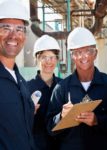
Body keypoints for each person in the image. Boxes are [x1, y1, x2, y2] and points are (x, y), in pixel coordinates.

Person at [46, 27, 107, 150]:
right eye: (77, 52)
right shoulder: (62, 88)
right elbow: (49, 128)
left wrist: (97, 120)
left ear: (95, 54)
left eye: (88, 51)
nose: (83, 56)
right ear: (72, 56)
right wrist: (61, 116)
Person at [0, 0, 36, 150]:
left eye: (19, 29)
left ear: (25, 37)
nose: (13, 36)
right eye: (5, 28)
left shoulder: (20, 81)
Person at [27, 35, 62, 150]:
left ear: (57, 59)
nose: (49, 62)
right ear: (37, 59)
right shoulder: (27, 87)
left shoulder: (63, 86)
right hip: (36, 146)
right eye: (44, 57)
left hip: (61, 144)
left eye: (52, 57)